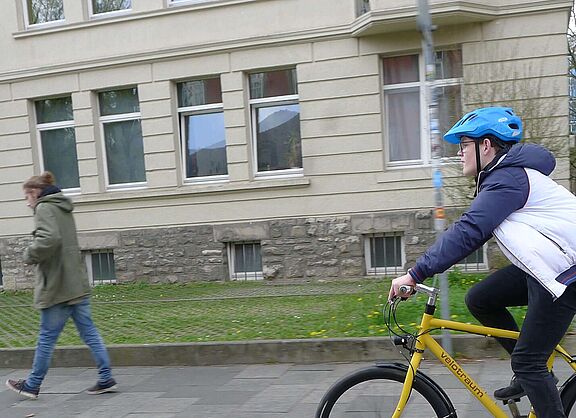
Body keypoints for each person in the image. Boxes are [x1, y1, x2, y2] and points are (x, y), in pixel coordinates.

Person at [388, 107, 576, 418]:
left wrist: (415, 273)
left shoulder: (507, 179)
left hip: (566, 275)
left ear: (485, 145)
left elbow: (470, 231)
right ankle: (531, 378)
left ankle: (531, 374)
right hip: (549, 267)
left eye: (463, 145)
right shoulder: (503, 176)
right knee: (480, 299)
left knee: (529, 362)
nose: (459, 153)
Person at [6, 172, 117, 399]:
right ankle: (106, 378)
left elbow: (49, 239)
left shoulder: (44, 208)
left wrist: (29, 254)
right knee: (90, 333)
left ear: (35, 193)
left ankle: (32, 385)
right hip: (76, 282)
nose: (26, 201)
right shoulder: (63, 206)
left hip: (58, 287)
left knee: (47, 336)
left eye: (26, 196)